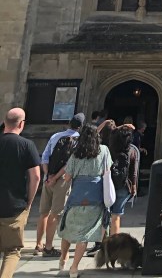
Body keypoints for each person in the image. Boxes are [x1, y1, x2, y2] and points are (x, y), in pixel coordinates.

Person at [58, 123, 112, 276]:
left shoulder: (75, 154)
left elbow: (67, 177)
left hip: (76, 197)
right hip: (95, 197)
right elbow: (107, 170)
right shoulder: (104, 150)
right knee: (85, 234)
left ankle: (63, 257)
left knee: (68, 230)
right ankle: (74, 267)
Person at [0, 107, 41, 278]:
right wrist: (29, 202)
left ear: (5, 122)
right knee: (12, 250)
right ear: (21, 124)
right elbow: (36, 176)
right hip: (14, 205)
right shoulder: (26, 145)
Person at [35, 113, 83, 257]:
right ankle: (49, 247)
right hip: (62, 180)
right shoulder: (79, 140)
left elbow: (45, 157)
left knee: (43, 212)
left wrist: (48, 175)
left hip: (48, 178)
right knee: (55, 214)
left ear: (69, 123)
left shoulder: (55, 136)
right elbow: (69, 164)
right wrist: (56, 177)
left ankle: (38, 244)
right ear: (80, 126)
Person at [107, 125, 139, 235]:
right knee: (116, 216)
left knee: (105, 215)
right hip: (124, 186)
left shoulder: (111, 149)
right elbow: (133, 172)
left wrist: (122, 126)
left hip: (109, 185)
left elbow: (112, 132)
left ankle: (102, 240)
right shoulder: (132, 151)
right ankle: (114, 240)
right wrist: (133, 186)